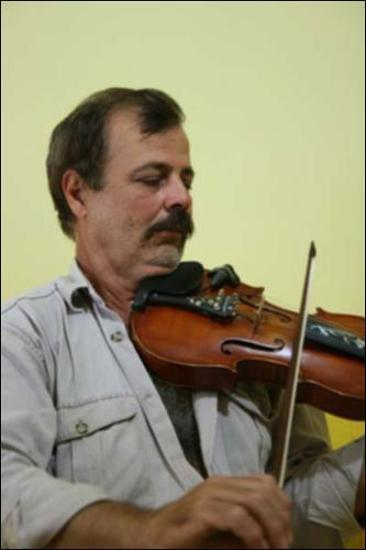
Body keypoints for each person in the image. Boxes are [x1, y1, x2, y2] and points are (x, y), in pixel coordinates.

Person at [1, 87, 364, 550]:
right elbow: (7, 488)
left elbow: (299, 505)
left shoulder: (250, 332)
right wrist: (152, 529)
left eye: (185, 180)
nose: (181, 198)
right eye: (153, 179)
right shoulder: (25, 336)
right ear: (77, 193)